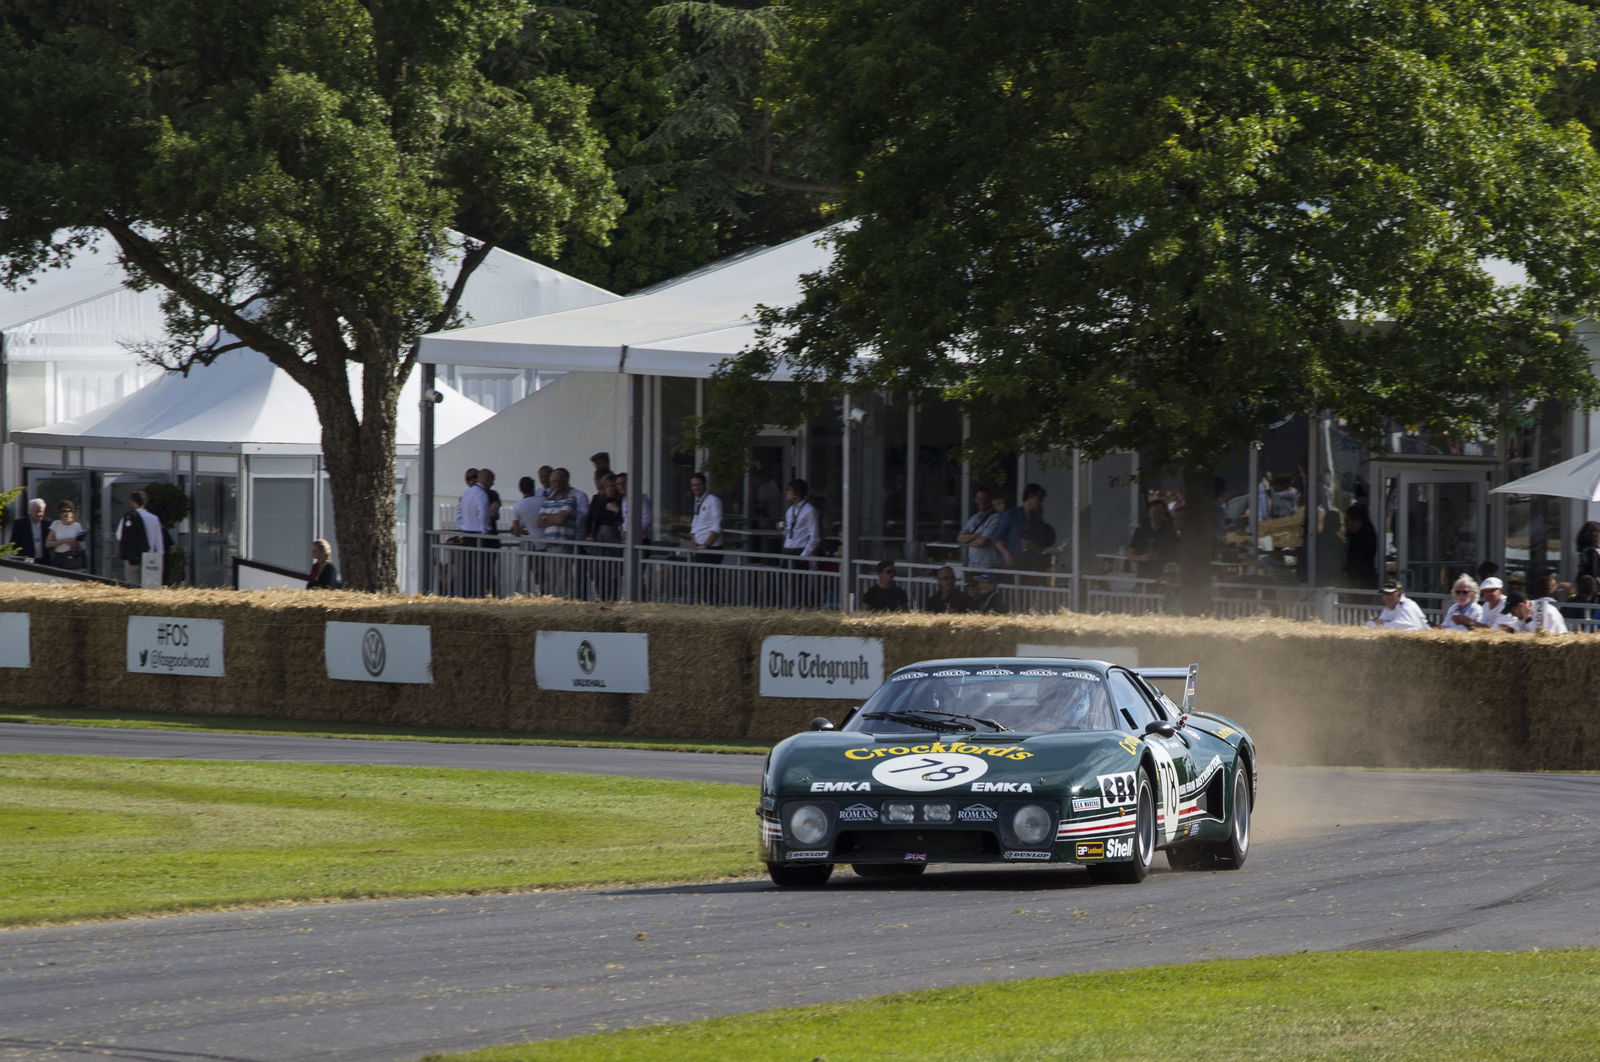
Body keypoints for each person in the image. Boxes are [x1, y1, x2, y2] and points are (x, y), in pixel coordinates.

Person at [116, 490, 165, 583]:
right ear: (145, 502)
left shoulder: (128, 517)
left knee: (132, 584)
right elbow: (159, 540)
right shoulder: (154, 518)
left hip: (132, 555)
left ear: (133, 502)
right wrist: (160, 556)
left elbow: (119, 536)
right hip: (150, 556)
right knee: (150, 586)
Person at [1125, 499, 1178, 580]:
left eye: (1160, 512)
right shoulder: (1141, 531)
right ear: (1149, 513)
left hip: (1163, 578)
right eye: (1154, 512)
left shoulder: (1170, 532)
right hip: (1143, 577)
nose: (1157, 515)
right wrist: (1141, 558)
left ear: (1164, 514)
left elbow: (1176, 555)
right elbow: (1128, 554)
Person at [956, 487, 1001, 570]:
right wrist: (976, 535)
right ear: (975, 500)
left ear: (990, 499)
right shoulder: (974, 518)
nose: (983, 501)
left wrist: (967, 541)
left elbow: (983, 542)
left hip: (989, 565)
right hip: (972, 564)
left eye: (985, 499)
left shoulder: (995, 518)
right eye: (980, 499)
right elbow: (960, 538)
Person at [1018, 484, 1056, 572]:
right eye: (1039, 499)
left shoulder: (1040, 525)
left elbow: (1044, 550)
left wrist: (1032, 546)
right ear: (1030, 496)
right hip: (1019, 565)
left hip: (1034, 566)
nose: (1040, 503)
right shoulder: (1013, 516)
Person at [1341, 504, 1378, 589]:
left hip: (1362, 581)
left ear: (1357, 521)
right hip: (1358, 580)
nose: (1346, 524)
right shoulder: (1355, 535)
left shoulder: (1365, 536)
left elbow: (1357, 559)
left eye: (1347, 521)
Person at [45, 501, 88, 570]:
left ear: (72, 512)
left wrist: (74, 543)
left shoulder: (77, 526)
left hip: (71, 557)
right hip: (58, 556)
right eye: (63, 511)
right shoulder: (56, 524)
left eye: (68, 511)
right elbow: (48, 544)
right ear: (60, 513)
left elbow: (80, 545)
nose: (66, 513)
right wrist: (64, 541)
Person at [9, 497, 51, 564]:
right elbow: (13, 543)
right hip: (26, 561)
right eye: (36, 511)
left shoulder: (48, 523)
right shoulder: (20, 524)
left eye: (40, 511)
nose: (38, 514)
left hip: (44, 561)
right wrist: (21, 556)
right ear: (30, 511)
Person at [615, 471, 652, 544]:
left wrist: (630, 533)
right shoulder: (622, 500)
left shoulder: (640, 498)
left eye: (624, 483)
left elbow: (647, 520)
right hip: (626, 542)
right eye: (619, 484)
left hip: (640, 541)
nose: (622, 486)